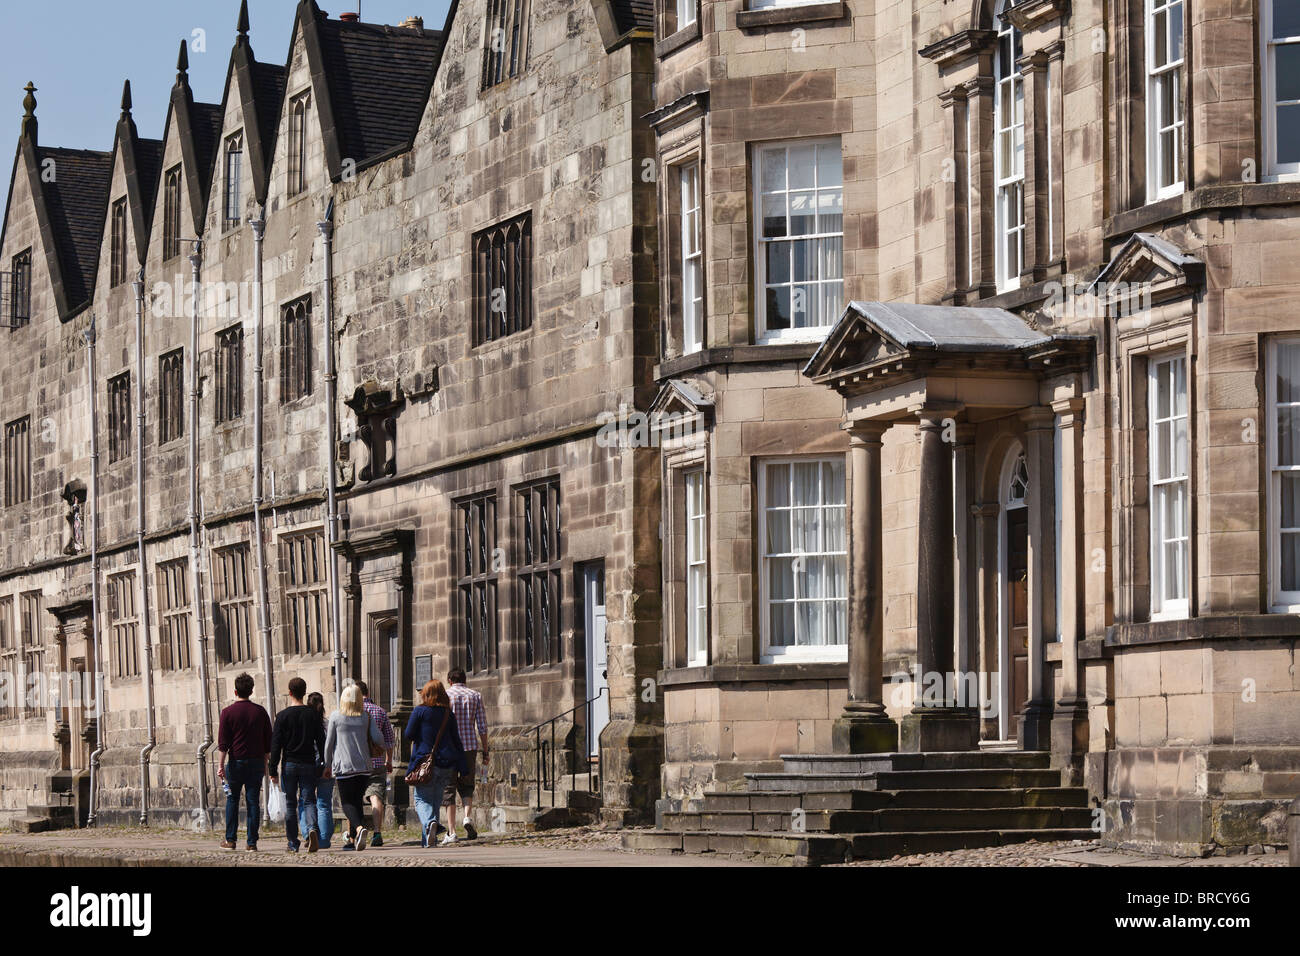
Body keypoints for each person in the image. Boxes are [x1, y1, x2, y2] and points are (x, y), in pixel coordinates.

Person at [323, 684, 387, 850]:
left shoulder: (336, 717)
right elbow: (379, 739)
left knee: (346, 803)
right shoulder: (366, 717)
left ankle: (359, 828)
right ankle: (353, 840)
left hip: (344, 767)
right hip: (364, 767)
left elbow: (329, 744)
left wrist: (327, 765)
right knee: (356, 802)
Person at [404, 679, 467, 847]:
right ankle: (429, 841)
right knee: (435, 801)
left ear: (426, 694)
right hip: (446, 763)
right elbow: (456, 740)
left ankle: (431, 823)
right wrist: (463, 766)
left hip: (426, 761)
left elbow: (408, 734)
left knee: (421, 800)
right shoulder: (448, 713)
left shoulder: (420, 711)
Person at [217, 672, 272, 851]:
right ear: (251, 690)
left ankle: (231, 839)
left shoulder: (227, 713)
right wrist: (265, 763)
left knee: (232, 800)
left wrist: (220, 766)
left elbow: (223, 744)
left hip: (236, 762)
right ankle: (251, 842)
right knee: (253, 802)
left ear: (235, 692)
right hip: (256, 762)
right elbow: (267, 743)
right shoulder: (260, 712)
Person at [268, 677, 324, 853]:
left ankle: (293, 842)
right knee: (308, 800)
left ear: (290, 692)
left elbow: (275, 745)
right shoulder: (312, 714)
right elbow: (321, 740)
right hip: (308, 763)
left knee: (291, 804)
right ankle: (312, 828)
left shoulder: (282, 716)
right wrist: (323, 761)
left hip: (289, 764)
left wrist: (272, 769)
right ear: (304, 692)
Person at [445, 668, 490, 843]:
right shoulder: (475, 695)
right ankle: (467, 817)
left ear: (449, 680)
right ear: (465, 680)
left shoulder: (446, 696)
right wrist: (485, 750)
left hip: (450, 748)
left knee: (448, 787)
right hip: (470, 746)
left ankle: (451, 831)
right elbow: (482, 726)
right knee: (467, 784)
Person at [355, 680, 395, 847]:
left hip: (356, 763)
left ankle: (355, 833)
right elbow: (390, 740)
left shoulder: (352, 712)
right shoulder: (380, 712)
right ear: (368, 693)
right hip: (377, 762)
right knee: (376, 796)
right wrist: (389, 761)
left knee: (354, 797)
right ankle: (377, 833)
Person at [303, 691, 336, 849]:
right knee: (324, 804)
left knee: (305, 802)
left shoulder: (305, 724)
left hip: (308, 766)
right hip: (326, 766)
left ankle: (308, 833)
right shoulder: (327, 724)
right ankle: (323, 840)